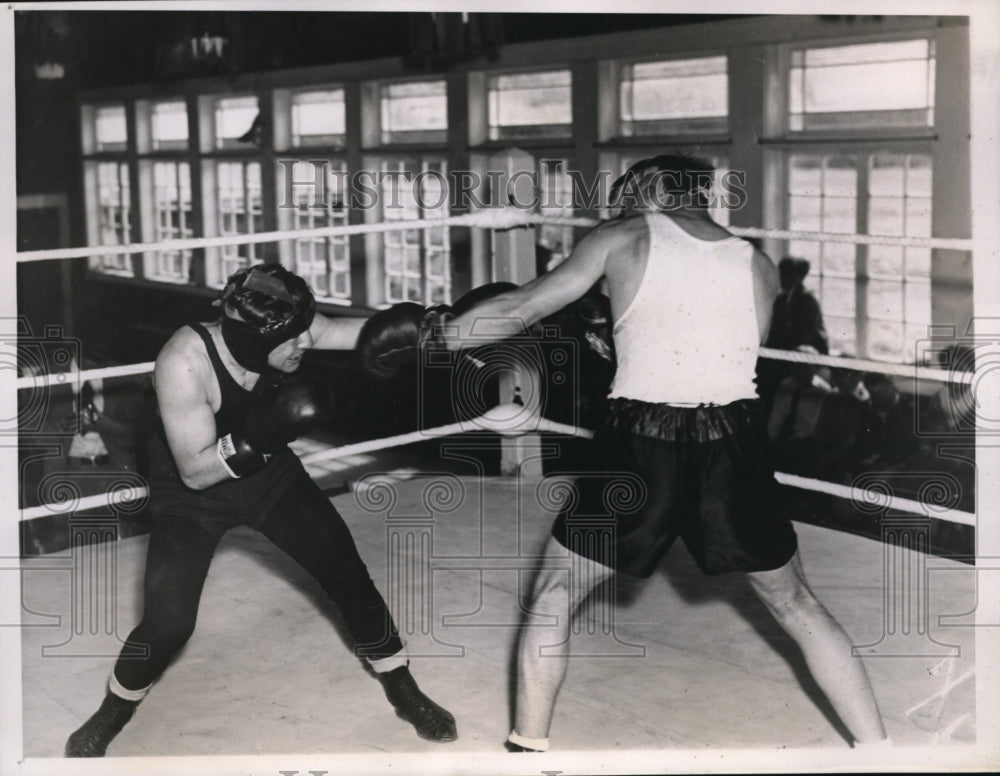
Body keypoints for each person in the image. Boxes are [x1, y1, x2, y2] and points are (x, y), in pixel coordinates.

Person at [356, 154, 889, 751]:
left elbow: (524, 306)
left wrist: (440, 337)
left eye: (628, 193)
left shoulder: (622, 236)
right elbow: (729, 354)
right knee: (796, 602)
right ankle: (881, 752)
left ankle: (527, 750)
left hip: (643, 441)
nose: (619, 206)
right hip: (736, 441)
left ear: (653, 188)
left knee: (556, 591)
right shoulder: (758, 264)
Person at [65, 264, 457, 757]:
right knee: (168, 624)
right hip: (191, 495)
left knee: (345, 570)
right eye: (293, 343)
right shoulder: (182, 362)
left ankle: (400, 683)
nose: (305, 347)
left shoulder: (284, 324)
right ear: (251, 339)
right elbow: (196, 472)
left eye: (302, 336)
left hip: (269, 475)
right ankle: (116, 707)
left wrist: (437, 326)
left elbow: (361, 332)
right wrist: (266, 431)